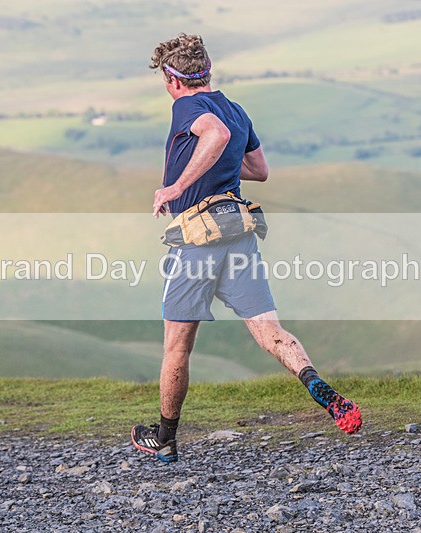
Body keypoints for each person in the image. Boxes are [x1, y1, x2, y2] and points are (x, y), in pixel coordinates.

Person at [131, 34, 362, 463]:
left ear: (172, 78)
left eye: (165, 79)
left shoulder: (188, 107)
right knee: (271, 333)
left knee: (177, 347)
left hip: (196, 241)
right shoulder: (236, 110)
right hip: (238, 233)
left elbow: (214, 135)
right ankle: (318, 386)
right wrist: (214, 163)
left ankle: (164, 437)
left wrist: (176, 186)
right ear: (208, 71)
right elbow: (259, 170)